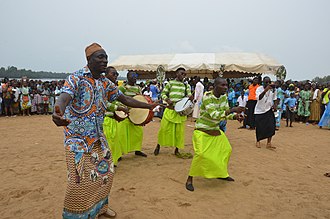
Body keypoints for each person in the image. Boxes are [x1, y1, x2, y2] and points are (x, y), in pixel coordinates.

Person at [52, 43, 156, 219]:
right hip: (77, 141)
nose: (104, 60)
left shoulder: (105, 82)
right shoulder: (75, 78)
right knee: (79, 181)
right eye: (100, 57)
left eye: (106, 57)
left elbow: (124, 99)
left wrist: (148, 105)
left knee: (105, 174)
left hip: (98, 139)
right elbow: (64, 98)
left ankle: (100, 208)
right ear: (88, 59)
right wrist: (58, 110)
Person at [185, 78, 245, 192]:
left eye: (226, 85)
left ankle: (221, 174)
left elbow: (224, 115)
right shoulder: (207, 97)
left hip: (215, 130)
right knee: (200, 154)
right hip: (202, 131)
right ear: (215, 86)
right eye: (223, 85)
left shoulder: (223, 97)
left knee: (227, 149)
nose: (226, 87)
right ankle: (189, 179)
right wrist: (233, 110)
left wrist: (235, 116)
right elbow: (214, 115)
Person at [154, 68, 193, 156]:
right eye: (182, 73)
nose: (183, 75)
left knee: (179, 133)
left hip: (179, 113)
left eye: (185, 74)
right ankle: (158, 145)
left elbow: (189, 95)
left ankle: (177, 149)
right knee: (164, 130)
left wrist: (191, 97)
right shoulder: (170, 83)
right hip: (170, 111)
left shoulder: (186, 85)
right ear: (177, 74)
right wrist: (167, 100)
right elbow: (163, 94)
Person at [103, 66, 128, 166]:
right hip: (104, 120)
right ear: (106, 74)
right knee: (107, 143)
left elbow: (120, 100)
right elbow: (104, 103)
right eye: (113, 74)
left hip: (112, 120)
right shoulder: (101, 86)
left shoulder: (114, 88)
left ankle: (112, 162)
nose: (116, 76)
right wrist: (119, 108)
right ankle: (106, 164)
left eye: (117, 74)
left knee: (113, 143)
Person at [254, 76, 278, 149]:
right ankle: (258, 141)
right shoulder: (259, 89)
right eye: (266, 82)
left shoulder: (273, 90)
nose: (268, 84)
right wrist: (265, 90)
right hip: (259, 111)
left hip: (268, 110)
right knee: (259, 127)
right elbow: (259, 98)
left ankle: (269, 143)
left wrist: (275, 105)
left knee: (271, 126)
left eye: (269, 82)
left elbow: (275, 99)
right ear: (263, 83)